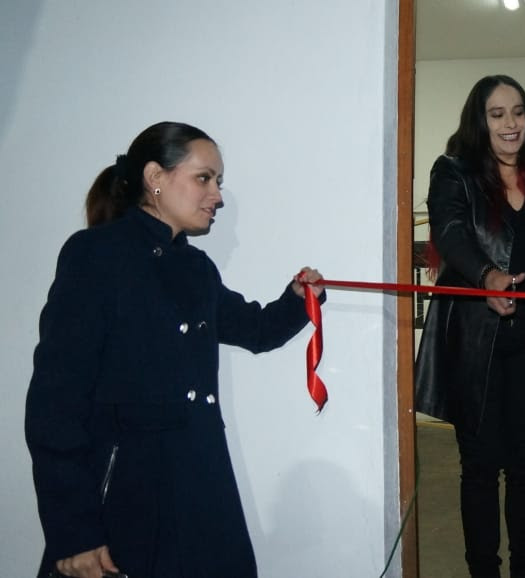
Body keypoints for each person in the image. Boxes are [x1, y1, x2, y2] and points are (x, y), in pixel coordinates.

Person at [24, 121, 324, 578]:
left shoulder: (196, 268)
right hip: (127, 496)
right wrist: (75, 531)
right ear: (155, 177)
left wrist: (299, 298)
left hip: (200, 481)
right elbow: (55, 402)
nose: (217, 196)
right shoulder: (96, 255)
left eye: (217, 181)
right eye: (204, 178)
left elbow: (256, 331)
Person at [415, 75, 525, 578]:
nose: (511, 123)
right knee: (481, 466)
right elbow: (450, 232)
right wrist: (487, 276)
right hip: (475, 343)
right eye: (497, 113)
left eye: (518, 112)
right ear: (479, 121)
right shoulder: (454, 172)